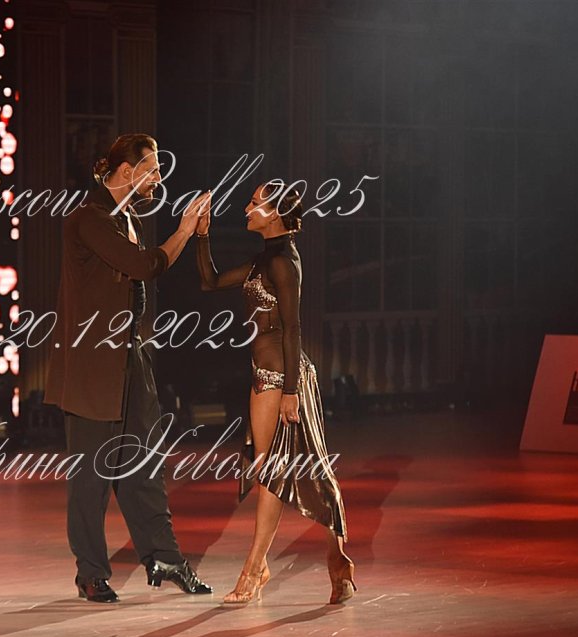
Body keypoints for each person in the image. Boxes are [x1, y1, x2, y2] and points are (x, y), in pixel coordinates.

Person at [45, 133, 212, 603]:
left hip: (129, 357)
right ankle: (91, 573)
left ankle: (165, 558)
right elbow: (143, 266)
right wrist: (183, 230)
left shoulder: (126, 218)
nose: (159, 178)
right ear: (126, 171)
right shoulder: (88, 218)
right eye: (152, 169)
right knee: (91, 478)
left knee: (145, 465)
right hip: (92, 365)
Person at [195, 180, 356, 604]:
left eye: (254, 203)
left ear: (275, 214)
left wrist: (290, 391)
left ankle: (256, 568)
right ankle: (336, 562)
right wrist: (202, 236)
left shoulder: (283, 263)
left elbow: (293, 327)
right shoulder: (263, 259)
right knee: (291, 469)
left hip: (282, 377)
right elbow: (210, 281)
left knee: (289, 470)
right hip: (263, 374)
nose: (246, 208)